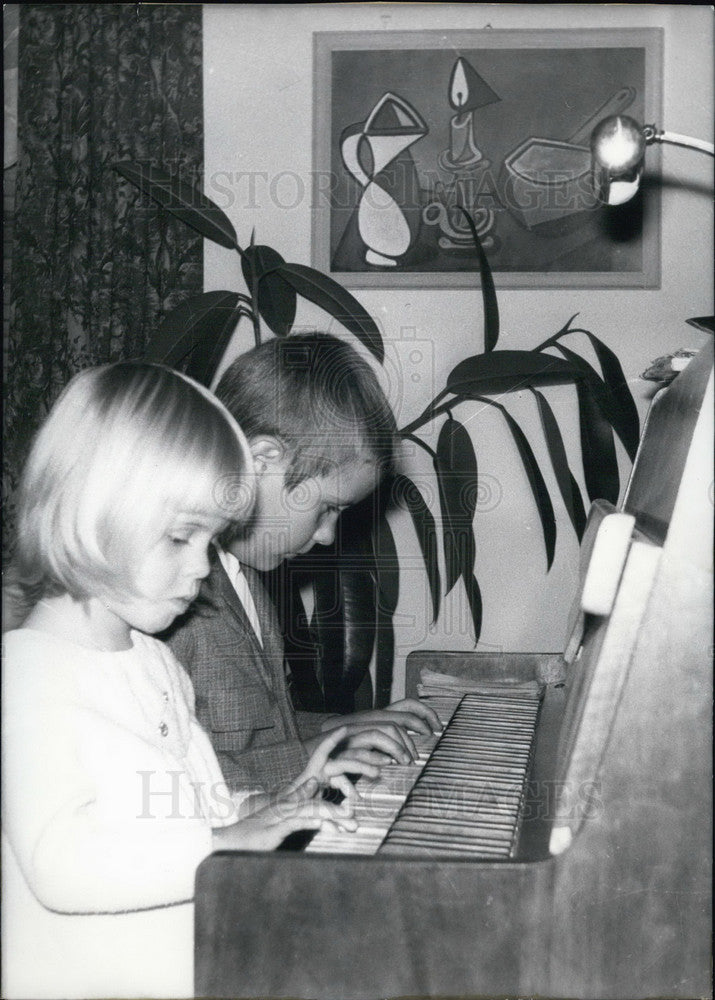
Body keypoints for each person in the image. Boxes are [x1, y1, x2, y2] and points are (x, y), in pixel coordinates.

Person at [1, 361, 380, 1000]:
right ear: (95, 514)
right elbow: (60, 865)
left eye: (211, 540)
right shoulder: (29, 677)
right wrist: (225, 840)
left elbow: (196, 802)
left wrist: (264, 809)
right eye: (182, 537)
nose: (204, 566)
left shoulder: (153, 659)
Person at [165, 332, 441, 794]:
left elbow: (258, 730)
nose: (328, 535)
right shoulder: (174, 596)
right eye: (327, 508)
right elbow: (178, 771)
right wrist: (324, 753)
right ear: (263, 460)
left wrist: (338, 727)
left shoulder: (244, 574)